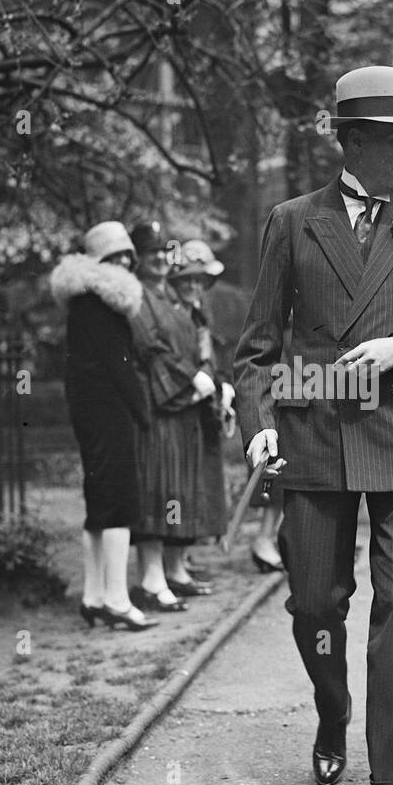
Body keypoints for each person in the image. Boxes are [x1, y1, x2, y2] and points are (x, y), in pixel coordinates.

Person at [234, 66, 393, 785]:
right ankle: (333, 710)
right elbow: (258, 348)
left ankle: (392, 783)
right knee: (314, 606)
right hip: (314, 438)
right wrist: (257, 422)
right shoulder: (292, 221)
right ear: (353, 139)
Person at [49, 221, 157, 631]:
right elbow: (120, 366)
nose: (127, 262)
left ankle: (94, 597)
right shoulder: (106, 303)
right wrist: (142, 412)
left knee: (98, 504)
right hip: (110, 411)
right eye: (118, 257)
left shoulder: (81, 303)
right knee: (120, 503)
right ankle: (116, 599)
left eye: (128, 255)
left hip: (89, 412)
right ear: (102, 263)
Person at [129, 220, 219, 611]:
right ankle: (150, 579)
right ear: (138, 258)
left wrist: (203, 378)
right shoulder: (136, 297)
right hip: (157, 405)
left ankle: (170, 571)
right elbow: (150, 350)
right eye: (151, 254)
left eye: (165, 253)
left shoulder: (167, 296)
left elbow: (192, 344)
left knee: (177, 489)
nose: (160, 261)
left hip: (182, 407)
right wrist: (191, 380)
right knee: (157, 487)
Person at [169, 239, 234, 573]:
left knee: (200, 482)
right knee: (181, 484)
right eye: (188, 280)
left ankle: (185, 556)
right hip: (181, 404)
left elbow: (209, 355)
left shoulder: (199, 313)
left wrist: (221, 387)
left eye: (200, 280)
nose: (195, 286)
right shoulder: (172, 314)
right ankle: (176, 560)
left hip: (203, 405)